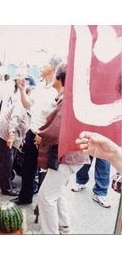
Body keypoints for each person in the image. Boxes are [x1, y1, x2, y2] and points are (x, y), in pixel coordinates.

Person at [36, 64, 90, 234]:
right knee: (57, 192)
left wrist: (41, 136)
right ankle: (64, 226)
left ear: (60, 79)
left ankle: (51, 234)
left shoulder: (66, 99)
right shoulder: (72, 98)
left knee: (45, 197)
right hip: (75, 156)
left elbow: (56, 130)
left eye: (54, 77)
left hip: (68, 156)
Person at [11, 55, 61, 205]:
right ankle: (25, 197)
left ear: (52, 67)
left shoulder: (56, 90)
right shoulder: (39, 86)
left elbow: (56, 119)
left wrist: (43, 134)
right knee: (28, 168)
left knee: (44, 172)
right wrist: (21, 91)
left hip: (45, 137)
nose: (40, 67)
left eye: (44, 64)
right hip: (32, 132)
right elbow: (27, 105)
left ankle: (43, 205)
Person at [0, 85, 32, 196]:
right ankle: (6, 188)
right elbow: (14, 120)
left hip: (13, 137)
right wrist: (11, 136)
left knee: (8, 161)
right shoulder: (21, 105)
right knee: (6, 162)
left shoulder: (30, 107)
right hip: (5, 135)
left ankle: (5, 182)